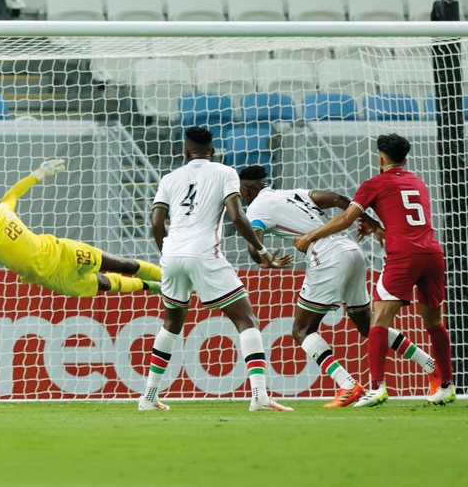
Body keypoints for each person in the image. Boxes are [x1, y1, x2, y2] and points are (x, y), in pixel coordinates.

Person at [239, 166, 441, 407]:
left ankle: (347, 385)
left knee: (301, 330)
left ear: (246, 189)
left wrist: (264, 259)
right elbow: (339, 199)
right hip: (353, 252)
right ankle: (430, 365)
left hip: (327, 256)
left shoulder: (256, 208)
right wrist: (373, 224)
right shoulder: (294, 193)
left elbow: (254, 244)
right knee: (369, 326)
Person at [293, 134, 455, 407]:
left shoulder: (375, 183)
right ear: (406, 159)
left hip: (404, 256)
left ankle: (377, 387)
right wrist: (375, 226)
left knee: (378, 321)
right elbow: (404, 217)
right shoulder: (418, 182)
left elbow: (345, 218)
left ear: (380, 159)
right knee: (435, 323)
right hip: (433, 254)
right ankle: (447, 386)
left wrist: (310, 236)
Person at [143, 127, 295, 412]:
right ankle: (259, 396)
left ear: (186, 152)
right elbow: (237, 217)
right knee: (246, 320)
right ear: (212, 151)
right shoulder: (225, 172)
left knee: (172, 324)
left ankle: (148, 397)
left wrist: (168, 253)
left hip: (172, 254)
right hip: (204, 253)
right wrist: (263, 253)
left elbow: (155, 223)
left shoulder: (169, 178)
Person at [0, 158, 163, 299]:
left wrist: (39, 173)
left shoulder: (4, 209)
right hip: (54, 279)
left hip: (63, 253)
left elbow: (14, 191)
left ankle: (167, 274)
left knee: (123, 265)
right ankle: (155, 287)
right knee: (105, 284)